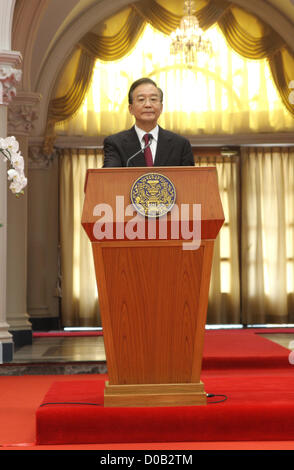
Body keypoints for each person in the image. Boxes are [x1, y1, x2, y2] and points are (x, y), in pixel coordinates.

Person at [103, 77, 194, 167]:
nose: (148, 105)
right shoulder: (115, 144)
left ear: (161, 108)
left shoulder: (180, 144)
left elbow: (190, 179)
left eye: (153, 99)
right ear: (131, 109)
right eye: (141, 99)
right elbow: (108, 177)